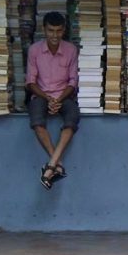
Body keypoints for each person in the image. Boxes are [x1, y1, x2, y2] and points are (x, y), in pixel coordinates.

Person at [26, 11, 79, 189]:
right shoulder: (34, 50)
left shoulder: (71, 50)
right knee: (37, 122)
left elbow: (72, 82)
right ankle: (57, 164)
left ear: (63, 30)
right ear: (44, 30)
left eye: (58, 31)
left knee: (72, 119)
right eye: (51, 31)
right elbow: (31, 82)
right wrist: (48, 98)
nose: (54, 35)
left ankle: (51, 166)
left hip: (64, 96)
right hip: (41, 95)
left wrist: (58, 99)